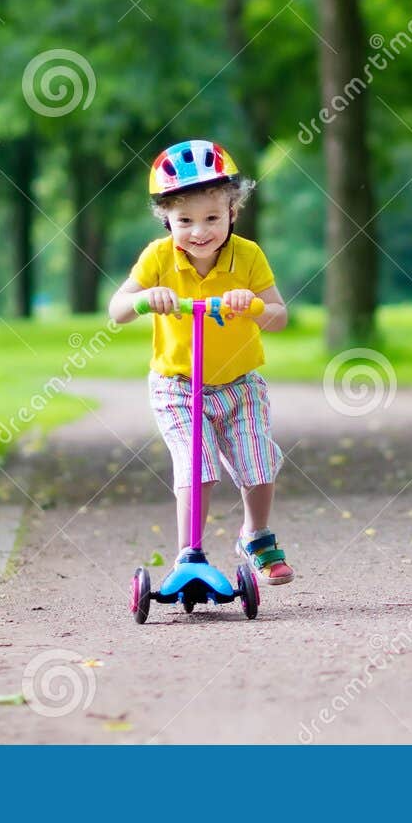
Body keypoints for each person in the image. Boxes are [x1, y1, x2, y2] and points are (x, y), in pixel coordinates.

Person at [107, 138, 294, 585]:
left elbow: (279, 318)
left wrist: (251, 306)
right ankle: (189, 556)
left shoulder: (248, 256)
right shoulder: (157, 257)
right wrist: (145, 298)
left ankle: (256, 535)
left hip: (239, 384)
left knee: (258, 464)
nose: (199, 231)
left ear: (233, 211)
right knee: (198, 467)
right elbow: (116, 311)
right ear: (166, 219)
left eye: (212, 217)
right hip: (177, 386)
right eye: (184, 220)